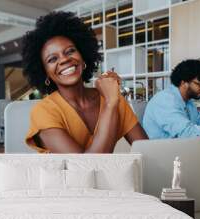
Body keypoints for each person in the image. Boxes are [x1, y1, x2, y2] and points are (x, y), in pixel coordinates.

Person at [22, 11, 148, 153]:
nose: (64, 59)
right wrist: (110, 104)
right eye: (52, 59)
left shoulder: (111, 97)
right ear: (45, 73)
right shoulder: (43, 112)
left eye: (70, 51)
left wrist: (111, 100)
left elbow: (148, 152)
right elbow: (85, 168)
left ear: (83, 57)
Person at [143, 59, 200, 139]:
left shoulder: (188, 102)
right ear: (183, 83)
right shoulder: (165, 100)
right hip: (164, 152)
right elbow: (188, 133)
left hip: (181, 148)